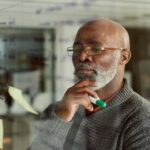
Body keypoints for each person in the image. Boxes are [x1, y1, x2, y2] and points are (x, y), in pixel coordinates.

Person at [28, 18, 150, 150]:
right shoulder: (58, 110)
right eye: (77, 49)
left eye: (96, 49)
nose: (82, 57)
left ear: (123, 57)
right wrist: (61, 119)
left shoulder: (142, 117)